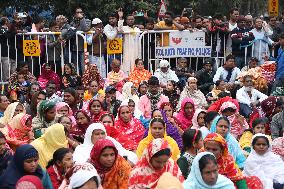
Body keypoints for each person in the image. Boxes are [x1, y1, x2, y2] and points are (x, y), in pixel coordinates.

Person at [73, 122, 137, 165]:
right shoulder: (81, 149)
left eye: (102, 133)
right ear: (90, 136)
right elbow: (78, 164)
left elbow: (123, 153)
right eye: (97, 134)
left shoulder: (110, 140)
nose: (101, 136)